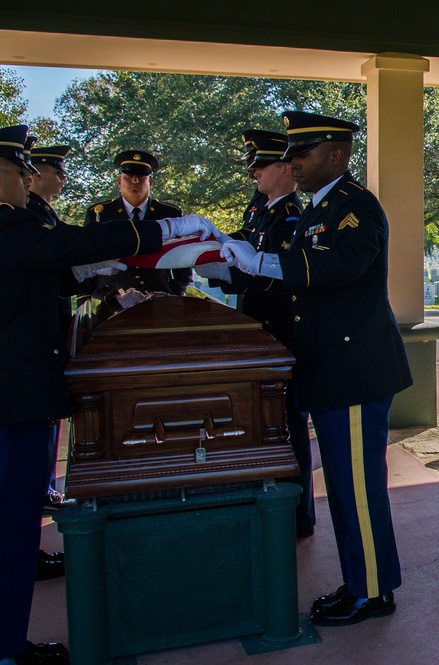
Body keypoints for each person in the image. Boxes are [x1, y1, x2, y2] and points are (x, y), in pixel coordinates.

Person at [0, 124, 213, 665]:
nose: (29, 178)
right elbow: (75, 244)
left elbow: (56, 277)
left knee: (13, 540)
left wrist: (100, 276)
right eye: (20, 170)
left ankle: (7, 646)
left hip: (7, 403)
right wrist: (167, 233)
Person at [220, 111, 412, 627]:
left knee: (356, 489)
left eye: (302, 154)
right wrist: (233, 263)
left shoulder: (355, 209)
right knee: (346, 490)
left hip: (353, 371)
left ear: (337, 154)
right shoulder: (316, 211)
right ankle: (359, 582)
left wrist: (258, 262)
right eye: (291, 155)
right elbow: (300, 280)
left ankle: (372, 592)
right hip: (332, 371)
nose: (293, 164)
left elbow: (336, 267)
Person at [197, 129, 315, 538]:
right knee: (266, 424)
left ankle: (296, 514)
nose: (254, 176)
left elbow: (281, 279)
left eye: (260, 167)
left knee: (286, 425)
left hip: (281, 334)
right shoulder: (261, 211)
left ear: (284, 169)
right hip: (259, 332)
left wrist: (232, 270)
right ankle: (272, 503)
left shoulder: (291, 218)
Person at [25, 141, 76, 582]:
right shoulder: (24, 220)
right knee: (18, 484)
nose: (61, 176)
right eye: (53, 169)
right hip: (25, 366)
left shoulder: (40, 215)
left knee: (39, 451)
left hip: (46, 351)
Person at [84, 150, 190, 298]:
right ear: (119, 182)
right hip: (111, 298)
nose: (135, 181)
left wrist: (176, 291)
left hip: (159, 295)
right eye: (128, 177)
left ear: (150, 182)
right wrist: (87, 299)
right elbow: (86, 257)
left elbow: (183, 259)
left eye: (141, 177)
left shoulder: (169, 213)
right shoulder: (100, 213)